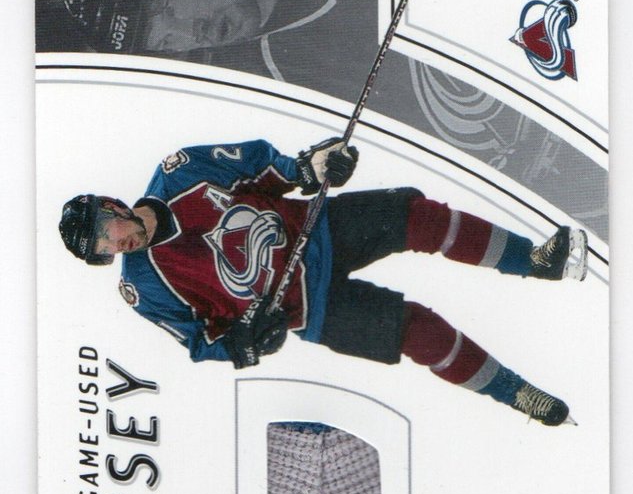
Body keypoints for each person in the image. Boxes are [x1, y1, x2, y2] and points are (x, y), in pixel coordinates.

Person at [59, 137, 588, 426]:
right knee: (416, 331)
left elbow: (267, 169)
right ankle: (516, 393)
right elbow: (201, 342)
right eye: (102, 250)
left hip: (317, 229)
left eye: (106, 232)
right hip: (307, 309)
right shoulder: (143, 288)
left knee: (420, 219)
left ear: (112, 207)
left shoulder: (180, 172)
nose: (113, 246)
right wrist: (243, 346)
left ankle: (536, 260)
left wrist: (311, 166)